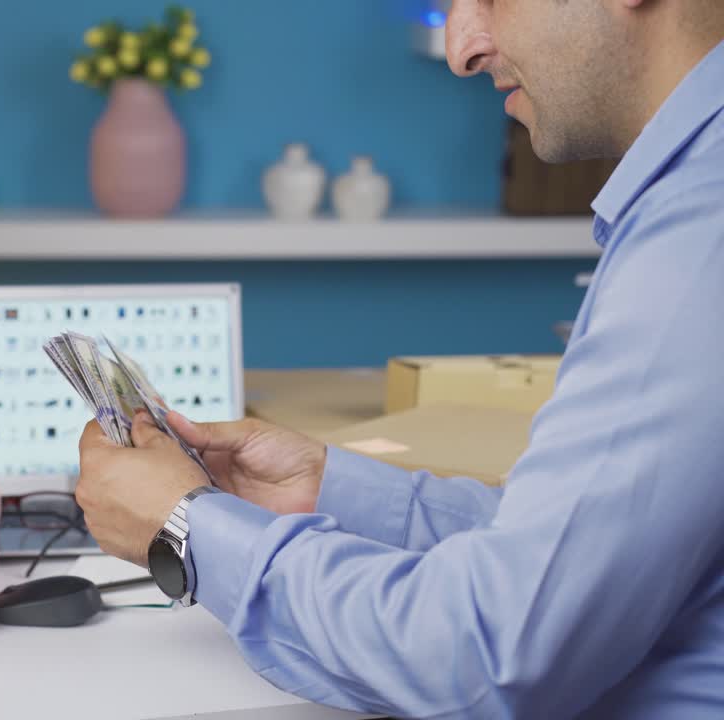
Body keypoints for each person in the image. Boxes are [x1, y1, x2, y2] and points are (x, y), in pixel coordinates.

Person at [74, 0, 724, 717]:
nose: (461, 48)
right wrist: (328, 492)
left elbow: (489, 654)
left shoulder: (698, 239)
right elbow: (569, 557)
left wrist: (188, 530)